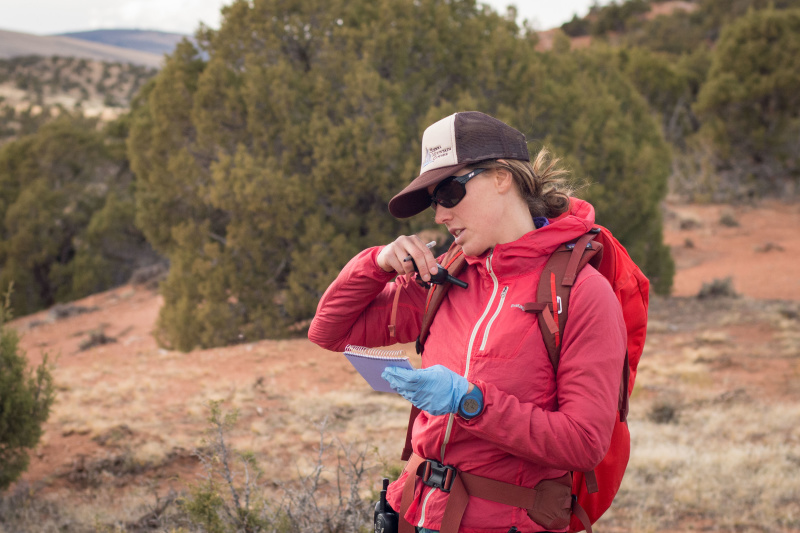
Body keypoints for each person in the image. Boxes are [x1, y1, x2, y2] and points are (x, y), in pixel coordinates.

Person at [308, 111, 627, 533]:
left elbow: (584, 444)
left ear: (501, 177)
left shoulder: (581, 294)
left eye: (449, 192)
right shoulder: (447, 276)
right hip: (414, 513)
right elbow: (331, 331)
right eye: (433, 200)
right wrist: (377, 263)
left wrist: (470, 402)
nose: (440, 214)